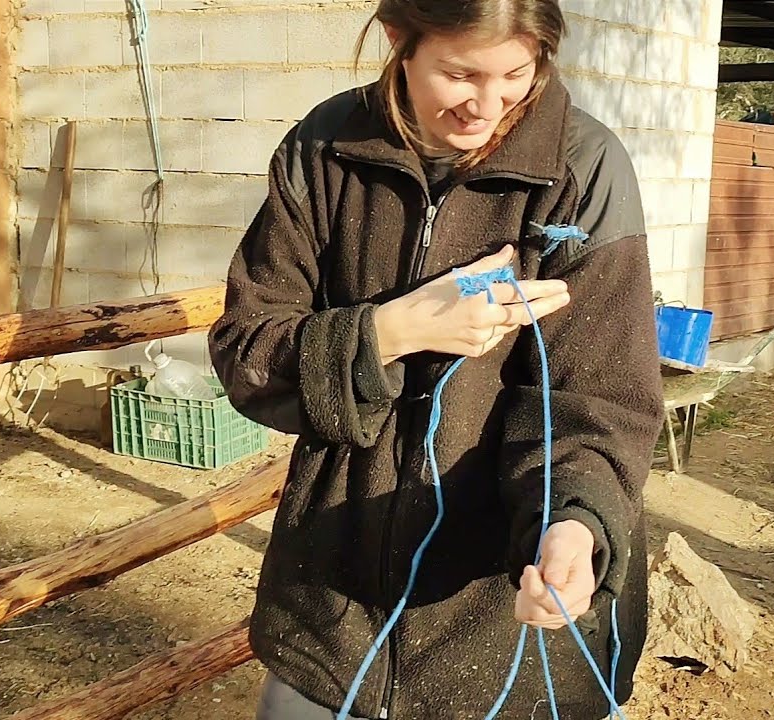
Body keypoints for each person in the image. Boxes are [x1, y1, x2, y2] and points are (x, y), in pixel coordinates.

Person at [207, 1, 663, 717]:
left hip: (506, 630)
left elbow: (600, 398)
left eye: (517, 72)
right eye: (461, 73)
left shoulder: (582, 170)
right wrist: (389, 331)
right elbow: (248, 349)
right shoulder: (324, 150)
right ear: (399, 40)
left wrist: (575, 523)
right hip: (333, 613)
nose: (489, 103)